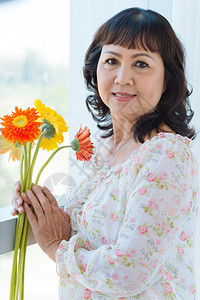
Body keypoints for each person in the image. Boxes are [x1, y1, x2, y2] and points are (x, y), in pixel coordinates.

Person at [11, 7, 199, 300]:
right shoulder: (104, 150)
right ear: (95, 69)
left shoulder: (167, 155)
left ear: (168, 79)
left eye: (141, 64)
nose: (123, 77)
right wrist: (37, 204)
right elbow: (89, 233)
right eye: (112, 60)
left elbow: (128, 271)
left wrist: (55, 249)